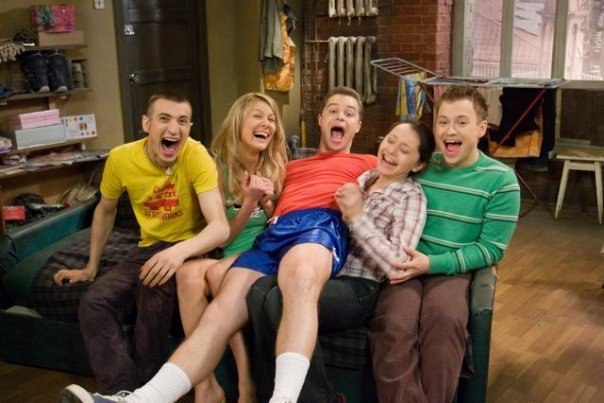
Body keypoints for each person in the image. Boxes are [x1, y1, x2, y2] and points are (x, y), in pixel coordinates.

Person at [58, 86, 376, 403]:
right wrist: (264, 203)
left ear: (358, 126)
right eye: (333, 110)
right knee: (220, 311)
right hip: (274, 233)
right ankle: (138, 400)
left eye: (349, 114)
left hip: (318, 223)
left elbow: (395, 188)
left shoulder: (368, 164)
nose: (340, 117)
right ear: (320, 119)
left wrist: (361, 212)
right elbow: (271, 209)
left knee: (302, 277)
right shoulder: (289, 167)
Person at [246, 120, 436, 403]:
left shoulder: (410, 196)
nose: (391, 150)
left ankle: (317, 398)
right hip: (325, 268)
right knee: (258, 291)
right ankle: (271, 394)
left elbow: (398, 263)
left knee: (279, 300)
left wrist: (357, 217)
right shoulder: (365, 178)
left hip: (360, 286)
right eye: (391, 140)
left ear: (418, 164)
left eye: (404, 150)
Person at [53, 91, 229, 394]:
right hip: (149, 248)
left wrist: (179, 253)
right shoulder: (121, 158)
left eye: (182, 121)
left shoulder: (195, 155)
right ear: (147, 123)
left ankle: (148, 392)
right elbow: (105, 210)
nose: (174, 129)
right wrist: (90, 267)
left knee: (152, 286)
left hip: (194, 246)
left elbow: (220, 228)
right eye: (164, 119)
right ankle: (122, 392)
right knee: (94, 302)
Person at [369, 86, 521, 403]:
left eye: (461, 122)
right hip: (404, 266)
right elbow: (381, 178)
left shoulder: (501, 181)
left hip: (453, 271)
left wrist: (432, 264)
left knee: (445, 321)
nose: (449, 131)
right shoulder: (422, 165)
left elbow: (492, 249)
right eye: (443, 122)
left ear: (481, 128)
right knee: (394, 324)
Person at [175, 92, 287, 402]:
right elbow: (223, 237)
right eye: (257, 116)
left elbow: (281, 225)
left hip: (262, 252)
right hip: (229, 249)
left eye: (271, 119)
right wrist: (248, 202)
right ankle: (205, 384)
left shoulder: (277, 165)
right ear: (238, 122)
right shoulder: (216, 169)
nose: (266, 123)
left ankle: (245, 383)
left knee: (218, 277)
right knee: (186, 274)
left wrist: (267, 204)